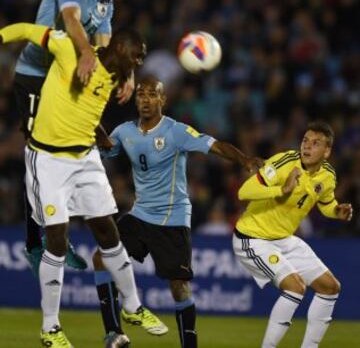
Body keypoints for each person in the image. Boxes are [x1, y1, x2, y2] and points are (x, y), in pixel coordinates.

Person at [0, 23, 167, 348]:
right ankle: (50, 328)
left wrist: (103, 139)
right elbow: (25, 30)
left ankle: (133, 306)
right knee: (58, 239)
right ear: (119, 49)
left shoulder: (116, 78)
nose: (137, 66)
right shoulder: (71, 50)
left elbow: (86, 113)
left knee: (108, 232)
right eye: (135, 58)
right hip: (48, 159)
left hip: (85, 157)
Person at [93, 75, 262, 348]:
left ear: (163, 100)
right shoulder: (125, 131)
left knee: (179, 287)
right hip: (140, 214)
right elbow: (107, 149)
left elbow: (216, 146)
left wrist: (244, 159)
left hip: (173, 218)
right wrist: (94, 126)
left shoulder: (176, 131)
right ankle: (114, 333)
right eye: (140, 94)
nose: (145, 100)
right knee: (102, 258)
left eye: (152, 94)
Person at [13, 0, 137, 273]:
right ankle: (35, 243)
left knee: (68, 155)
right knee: (40, 155)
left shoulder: (105, 3)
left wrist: (125, 73)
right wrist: (84, 51)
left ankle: (57, 235)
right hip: (37, 76)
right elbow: (70, 19)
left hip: (68, 79)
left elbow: (107, 44)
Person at [232, 121, 353, 348]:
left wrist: (337, 211)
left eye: (315, 143)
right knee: (295, 287)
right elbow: (244, 191)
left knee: (330, 287)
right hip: (252, 237)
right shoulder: (285, 161)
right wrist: (282, 189)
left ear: (327, 151)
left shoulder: (327, 175)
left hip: (284, 239)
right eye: (305, 140)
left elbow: (326, 203)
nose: (307, 146)